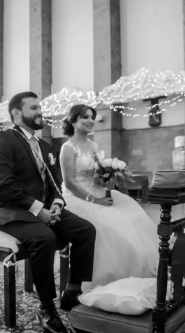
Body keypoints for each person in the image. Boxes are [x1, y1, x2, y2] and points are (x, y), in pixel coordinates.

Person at [0, 91, 96, 333]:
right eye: (33, 108)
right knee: (45, 238)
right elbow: (4, 184)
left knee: (85, 229)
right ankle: (46, 308)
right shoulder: (3, 139)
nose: (40, 112)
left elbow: (55, 182)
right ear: (16, 114)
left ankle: (72, 291)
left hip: (41, 207)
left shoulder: (44, 145)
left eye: (39, 107)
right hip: (8, 210)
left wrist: (55, 203)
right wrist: (37, 210)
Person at [59, 104, 158, 288]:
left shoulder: (94, 145)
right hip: (76, 198)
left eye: (92, 117)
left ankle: (129, 274)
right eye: (85, 117)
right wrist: (94, 200)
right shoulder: (68, 147)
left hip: (97, 192)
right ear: (73, 121)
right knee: (110, 226)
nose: (90, 121)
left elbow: (97, 174)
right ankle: (101, 279)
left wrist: (108, 179)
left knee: (131, 215)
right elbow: (70, 183)